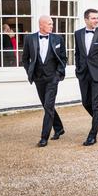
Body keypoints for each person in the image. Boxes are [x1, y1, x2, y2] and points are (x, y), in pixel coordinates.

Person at [22, 16, 67, 147]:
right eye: (49, 24)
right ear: (41, 25)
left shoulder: (58, 39)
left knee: (48, 106)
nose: (52, 26)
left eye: (52, 24)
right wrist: (30, 72)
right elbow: (25, 59)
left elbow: (63, 58)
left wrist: (58, 74)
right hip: (38, 78)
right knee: (47, 105)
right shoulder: (29, 39)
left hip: (53, 78)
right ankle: (59, 128)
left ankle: (44, 137)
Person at [74, 9, 98, 146]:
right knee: (86, 103)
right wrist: (77, 69)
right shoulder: (78, 34)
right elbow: (78, 54)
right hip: (83, 74)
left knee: (96, 104)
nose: (96, 20)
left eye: (97, 18)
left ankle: (92, 135)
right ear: (86, 19)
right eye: (93, 18)